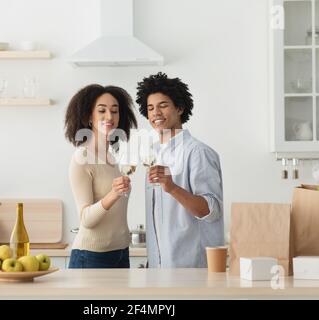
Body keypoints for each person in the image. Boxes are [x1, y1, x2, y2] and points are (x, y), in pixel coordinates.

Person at [135, 72, 224, 268]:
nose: (155, 113)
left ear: (180, 108)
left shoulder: (198, 152)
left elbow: (212, 210)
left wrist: (172, 188)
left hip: (190, 268)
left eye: (163, 105)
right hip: (158, 268)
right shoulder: (153, 156)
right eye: (150, 108)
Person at [65, 84, 138, 268]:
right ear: (89, 116)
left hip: (121, 252)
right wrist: (113, 194)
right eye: (102, 111)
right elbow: (86, 220)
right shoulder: (81, 158)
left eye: (115, 111)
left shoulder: (112, 157)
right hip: (92, 256)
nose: (110, 117)